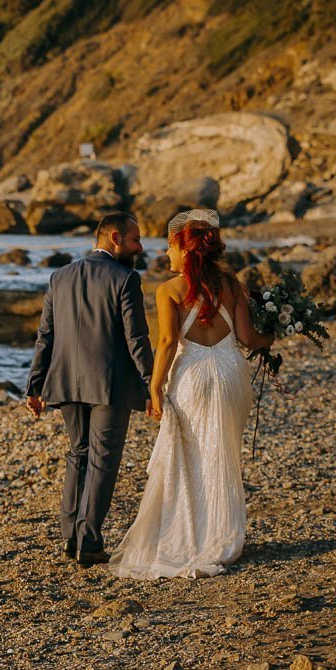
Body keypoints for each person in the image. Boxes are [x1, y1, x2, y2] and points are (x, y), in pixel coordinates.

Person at [110, 210, 273, 579]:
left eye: (170, 248)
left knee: (189, 454)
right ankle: (222, 532)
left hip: (192, 374)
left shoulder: (169, 290)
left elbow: (167, 342)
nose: (165, 255)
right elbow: (248, 339)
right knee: (223, 452)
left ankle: (189, 532)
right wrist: (271, 339)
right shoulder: (231, 284)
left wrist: (154, 387)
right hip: (231, 372)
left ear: (184, 252)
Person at [25, 212, 153, 567]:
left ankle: (71, 538)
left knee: (78, 454)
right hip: (109, 384)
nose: (139, 247)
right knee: (102, 460)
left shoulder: (60, 276)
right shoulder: (126, 279)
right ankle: (89, 542)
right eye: (134, 240)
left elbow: (45, 337)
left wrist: (34, 387)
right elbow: (137, 339)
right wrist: (151, 383)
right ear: (114, 238)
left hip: (64, 381)